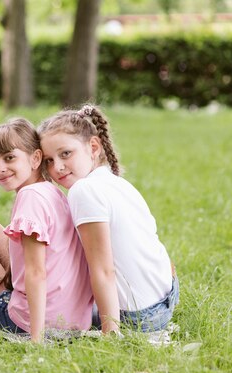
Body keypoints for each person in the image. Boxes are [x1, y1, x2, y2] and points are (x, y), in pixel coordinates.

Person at [38, 104, 179, 334]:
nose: (57, 167)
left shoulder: (83, 190)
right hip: (167, 293)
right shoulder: (116, 181)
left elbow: (103, 269)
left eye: (65, 154)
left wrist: (110, 332)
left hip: (141, 316)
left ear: (93, 146)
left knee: (49, 311)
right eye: (49, 161)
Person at [0, 118, 93, 343]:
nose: (0, 168)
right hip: (76, 320)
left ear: (35, 158)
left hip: (27, 323)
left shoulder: (29, 196)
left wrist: (37, 337)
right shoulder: (52, 190)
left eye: (9, 158)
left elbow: (36, 273)